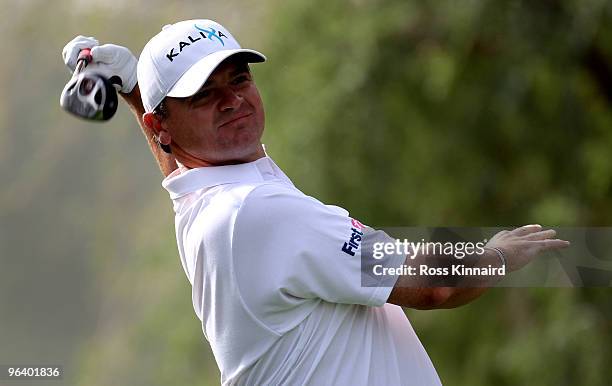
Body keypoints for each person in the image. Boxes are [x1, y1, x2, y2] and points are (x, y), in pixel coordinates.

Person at [62, 19, 570, 385]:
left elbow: (177, 166)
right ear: (163, 124)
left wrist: (134, 92)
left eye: (238, 78)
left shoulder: (207, 199)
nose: (232, 99)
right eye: (202, 94)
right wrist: (501, 254)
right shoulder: (256, 212)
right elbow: (435, 286)